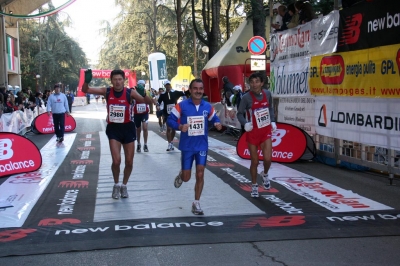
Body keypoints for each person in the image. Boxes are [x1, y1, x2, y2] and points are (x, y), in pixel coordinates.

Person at [82, 69, 153, 199]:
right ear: (111, 81)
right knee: (116, 161)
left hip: (128, 128)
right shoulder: (107, 91)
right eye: (115, 79)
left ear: (123, 80)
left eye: (120, 79)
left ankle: (124, 185)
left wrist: (145, 93)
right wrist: (86, 81)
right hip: (114, 129)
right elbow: (86, 90)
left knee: (129, 161)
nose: (117, 82)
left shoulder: (130, 92)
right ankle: (116, 184)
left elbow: (148, 102)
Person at [167, 78, 222, 215]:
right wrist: (180, 126)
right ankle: (181, 175)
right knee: (187, 178)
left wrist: (217, 123)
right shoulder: (182, 105)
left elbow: (214, 118)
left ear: (203, 91)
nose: (198, 91)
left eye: (201, 89)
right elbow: (170, 120)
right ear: (190, 90)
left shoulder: (208, 106)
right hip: (187, 146)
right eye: (195, 88)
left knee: (200, 173)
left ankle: (196, 203)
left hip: (202, 146)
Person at [236, 72, 277, 198]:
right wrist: (245, 124)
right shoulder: (246, 98)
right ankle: (254, 185)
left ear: (262, 83)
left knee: (268, 159)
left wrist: (273, 121)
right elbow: (239, 113)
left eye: (257, 82)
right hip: (253, 133)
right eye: (252, 82)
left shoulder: (268, 94)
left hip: (265, 132)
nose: (254, 84)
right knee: (255, 161)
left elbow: (270, 108)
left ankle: (264, 174)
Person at [156, 80, 187, 151]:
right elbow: (158, 102)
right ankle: (169, 144)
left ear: (170, 85)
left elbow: (184, 93)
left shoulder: (175, 93)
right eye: (166, 85)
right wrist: (157, 106)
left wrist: (189, 91)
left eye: (168, 85)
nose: (168, 86)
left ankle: (171, 141)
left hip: (175, 114)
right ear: (165, 86)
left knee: (173, 129)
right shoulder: (163, 95)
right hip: (166, 113)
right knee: (168, 128)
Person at [133, 80, 152, 152]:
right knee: (138, 129)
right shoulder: (134, 93)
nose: (141, 87)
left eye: (143, 85)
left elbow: (151, 100)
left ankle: (145, 144)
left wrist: (156, 104)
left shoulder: (147, 92)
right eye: (140, 85)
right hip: (136, 114)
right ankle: (138, 143)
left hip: (144, 113)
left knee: (145, 128)